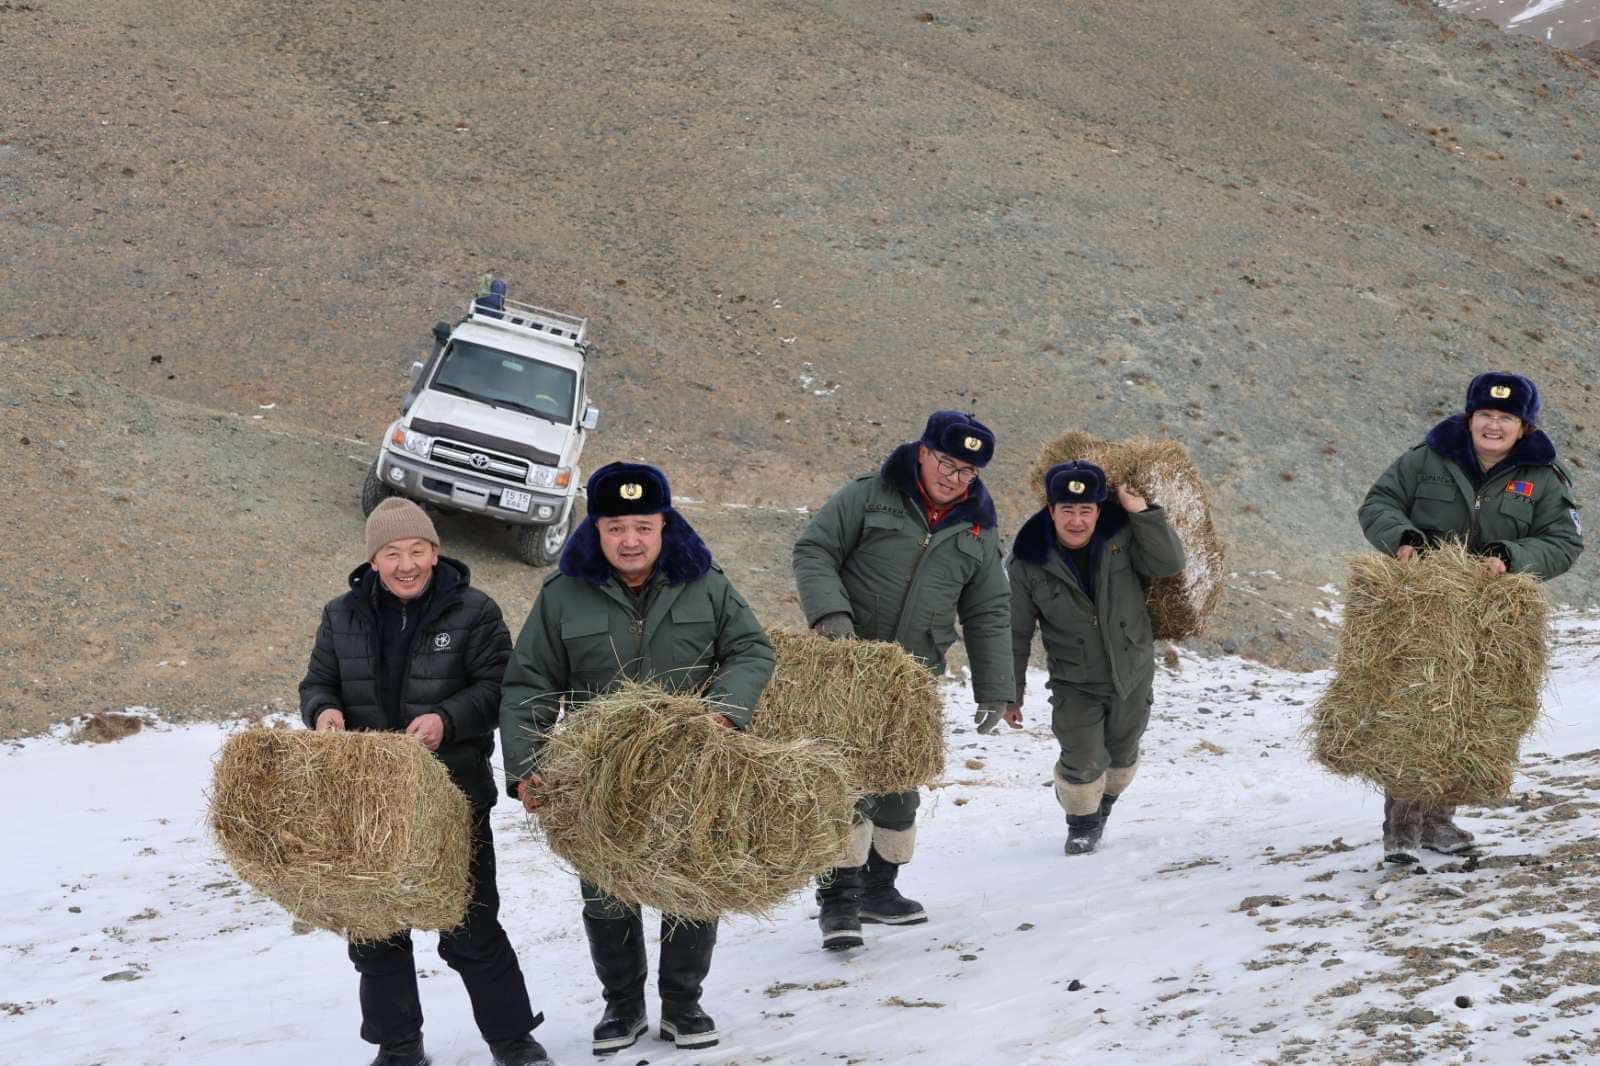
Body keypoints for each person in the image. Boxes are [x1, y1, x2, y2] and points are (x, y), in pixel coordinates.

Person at [499, 462, 774, 1057]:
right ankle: (621, 1006)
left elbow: (751, 650)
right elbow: (528, 686)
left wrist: (724, 712)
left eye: (643, 526)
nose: (630, 540)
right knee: (606, 890)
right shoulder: (562, 595)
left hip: (691, 771)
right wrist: (527, 765)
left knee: (694, 881)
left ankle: (682, 1004)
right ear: (595, 529)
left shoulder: (705, 583)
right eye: (616, 526)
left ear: (664, 525)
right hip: (599, 778)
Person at [299, 497, 549, 1066]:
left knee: (471, 923)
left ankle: (513, 1041)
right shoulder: (341, 614)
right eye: (392, 553)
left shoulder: (475, 611)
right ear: (374, 560)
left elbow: (499, 688)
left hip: (452, 796)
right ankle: (398, 1046)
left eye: (417, 550)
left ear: (435, 553)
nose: (405, 564)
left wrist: (448, 719)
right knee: (375, 926)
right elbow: (317, 682)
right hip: (366, 803)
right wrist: (323, 713)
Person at [792, 410, 1013, 950]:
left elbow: (988, 609)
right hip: (845, 667)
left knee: (898, 782)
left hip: (914, 679)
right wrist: (829, 615)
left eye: (967, 472)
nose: (953, 478)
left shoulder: (979, 530)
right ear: (921, 451)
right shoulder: (868, 497)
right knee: (843, 781)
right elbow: (814, 549)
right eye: (945, 462)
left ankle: (879, 888)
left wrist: (996, 687)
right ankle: (838, 900)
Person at [1359, 370, 1583, 862]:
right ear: (1470, 417)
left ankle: (1439, 822)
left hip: (1493, 620)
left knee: (1470, 719)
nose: (1494, 425)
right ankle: (1401, 832)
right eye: (1486, 414)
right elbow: (1379, 503)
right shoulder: (1427, 459)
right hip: (1422, 609)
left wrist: (1511, 557)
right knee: (1415, 714)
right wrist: (1402, 538)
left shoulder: (1543, 478)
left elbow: (1565, 542)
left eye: (1507, 417)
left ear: (1524, 427)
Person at [1006, 461, 1187, 855]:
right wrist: (1010, 691)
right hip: (1075, 680)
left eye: (1086, 509)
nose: (1076, 520)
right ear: (1050, 509)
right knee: (1083, 758)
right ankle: (1081, 824)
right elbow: (1015, 631)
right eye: (1067, 510)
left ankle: (1102, 807)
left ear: (1099, 511)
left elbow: (1170, 563)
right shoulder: (1027, 560)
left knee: (1121, 756)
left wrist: (1140, 512)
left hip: (1132, 671)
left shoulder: (1122, 538)